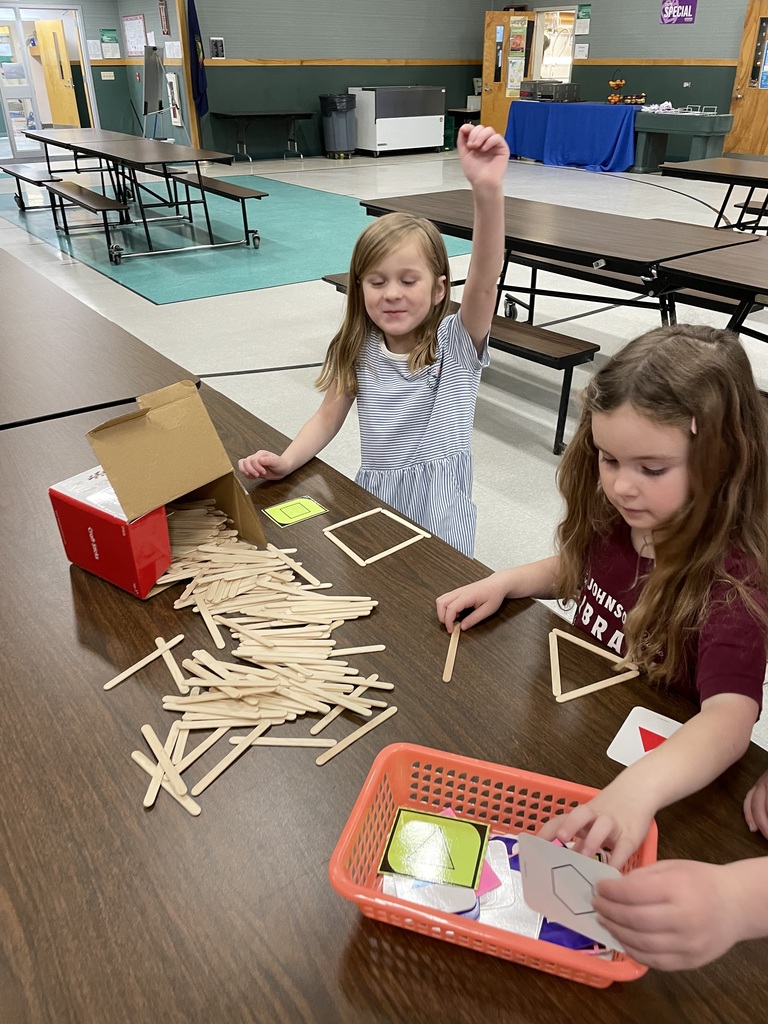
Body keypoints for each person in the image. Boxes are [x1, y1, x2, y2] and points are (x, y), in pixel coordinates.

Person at [436, 324, 768, 868]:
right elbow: (583, 569)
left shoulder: (733, 582)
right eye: (608, 459)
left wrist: (638, 791)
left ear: (722, 460)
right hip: (583, 732)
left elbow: (730, 718)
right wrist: (508, 581)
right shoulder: (622, 515)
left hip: (664, 784)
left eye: (651, 469)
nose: (620, 486)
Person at [238, 123, 509, 557]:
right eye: (377, 281)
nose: (393, 293)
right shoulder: (358, 348)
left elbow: (484, 280)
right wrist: (288, 459)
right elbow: (327, 417)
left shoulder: (454, 346)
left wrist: (487, 190)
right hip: (375, 501)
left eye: (408, 280)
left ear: (439, 289)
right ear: (359, 287)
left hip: (442, 508)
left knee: (439, 599)